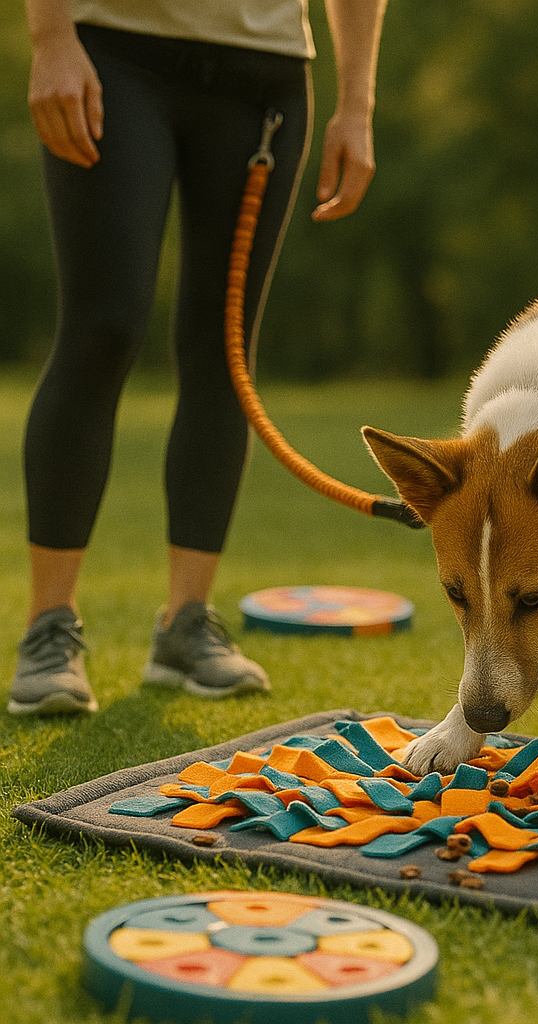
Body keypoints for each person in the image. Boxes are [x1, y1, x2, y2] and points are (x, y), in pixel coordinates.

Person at [7, 0, 388, 715]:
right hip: (112, 51)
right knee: (104, 327)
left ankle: (186, 624)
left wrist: (357, 103)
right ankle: (49, 627)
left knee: (226, 347)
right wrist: (51, 35)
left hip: (265, 75)